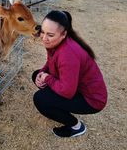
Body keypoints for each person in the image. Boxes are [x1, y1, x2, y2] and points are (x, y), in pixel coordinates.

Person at [32, 10, 108, 138]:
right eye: (43, 32)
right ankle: (59, 108)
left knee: (40, 99)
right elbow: (51, 61)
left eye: (50, 35)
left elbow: (67, 91)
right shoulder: (58, 42)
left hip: (91, 100)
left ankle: (76, 126)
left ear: (63, 34)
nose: (44, 38)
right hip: (75, 87)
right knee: (36, 75)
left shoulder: (68, 54)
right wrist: (42, 72)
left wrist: (48, 78)